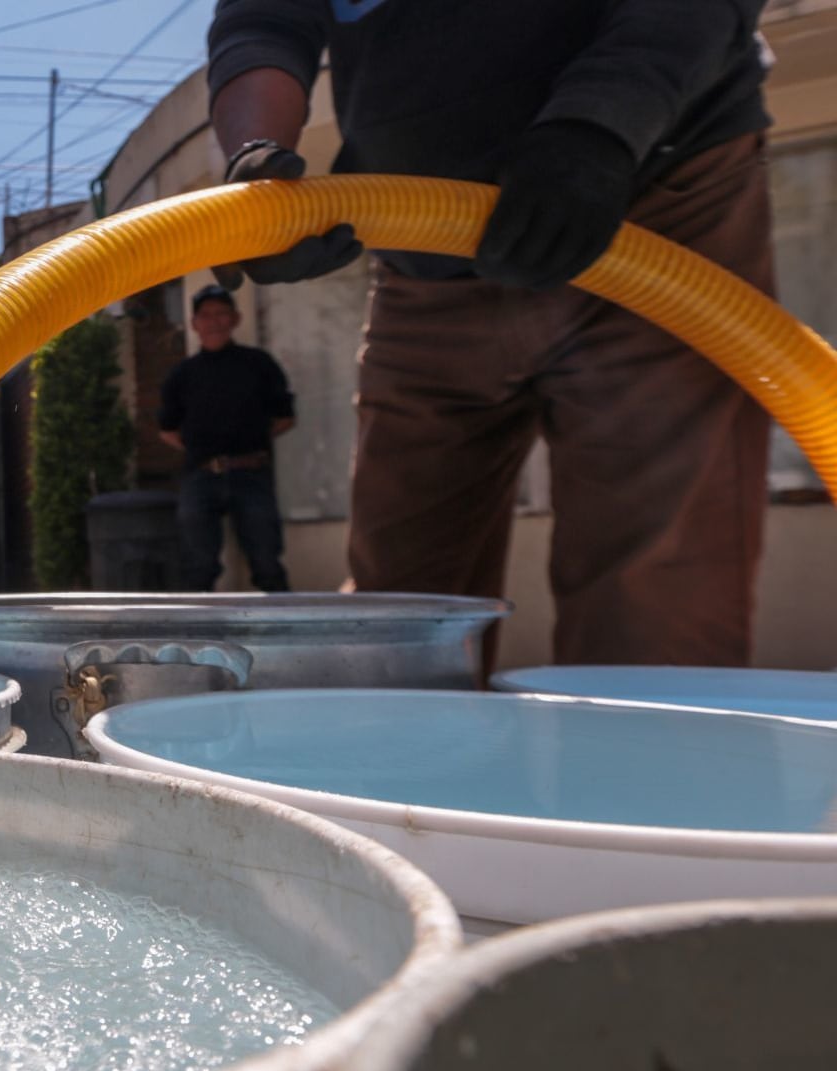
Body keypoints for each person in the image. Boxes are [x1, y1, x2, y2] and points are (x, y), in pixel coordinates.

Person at [205, 0, 772, 666]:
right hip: (424, 247)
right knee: (400, 623)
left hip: (648, 200)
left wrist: (601, 124)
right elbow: (266, 19)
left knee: (654, 612)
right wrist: (259, 167)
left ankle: (649, 731)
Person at [157, 284, 297, 593]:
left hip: (252, 473)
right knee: (198, 568)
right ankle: (198, 625)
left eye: (221, 313)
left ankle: (284, 623)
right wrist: (202, 450)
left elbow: (285, 418)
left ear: (235, 318)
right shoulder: (181, 374)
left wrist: (250, 443)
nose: (214, 321)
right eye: (206, 315)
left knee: (267, 564)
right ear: (194, 323)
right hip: (200, 477)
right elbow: (167, 430)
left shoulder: (259, 364)